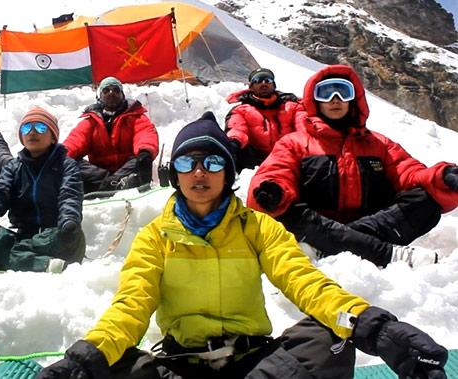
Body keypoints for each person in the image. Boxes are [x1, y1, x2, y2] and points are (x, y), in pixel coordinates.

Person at [37, 112, 449, 379]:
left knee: (332, 337)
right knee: (112, 364)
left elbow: (306, 283)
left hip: (255, 364)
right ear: (174, 174)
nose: (200, 172)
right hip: (180, 367)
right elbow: (131, 306)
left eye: (213, 162)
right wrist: (86, 358)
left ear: (228, 172)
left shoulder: (257, 227)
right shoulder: (155, 237)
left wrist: (375, 328)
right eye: (187, 162)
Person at [248, 64, 458, 268]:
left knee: (425, 200)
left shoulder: (378, 144)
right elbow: (276, 172)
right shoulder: (294, 143)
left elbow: (408, 171)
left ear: (354, 99)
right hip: (316, 224)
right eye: (326, 93)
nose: (335, 100)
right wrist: (274, 191)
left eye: (343, 92)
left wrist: (442, 176)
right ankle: (387, 254)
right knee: (286, 211)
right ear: (315, 101)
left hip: (366, 224)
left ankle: (328, 248)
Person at [0, 106, 85, 273]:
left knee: (71, 235)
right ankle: (41, 263)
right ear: (21, 136)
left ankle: (3, 260)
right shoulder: (13, 168)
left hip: (57, 235)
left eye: (41, 127)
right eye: (27, 128)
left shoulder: (66, 165)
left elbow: (70, 196)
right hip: (23, 236)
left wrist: (69, 222)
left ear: (53, 137)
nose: (32, 132)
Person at [63, 76, 159, 193]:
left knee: (142, 159)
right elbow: (76, 139)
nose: (111, 93)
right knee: (70, 163)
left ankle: (108, 186)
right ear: (99, 97)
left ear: (122, 95)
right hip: (99, 173)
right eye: (106, 90)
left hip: (127, 169)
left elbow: (145, 133)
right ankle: (114, 185)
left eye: (116, 90)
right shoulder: (91, 121)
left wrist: (145, 152)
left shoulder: (136, 117)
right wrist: (61, 157)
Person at [224, 68, 302, 172]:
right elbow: (237, 129)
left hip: (289, 156)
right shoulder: (241, 110)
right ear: (251, 87)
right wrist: (234, 142)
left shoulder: (292, 107)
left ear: (274, 85)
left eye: (268, 80)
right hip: (256, 161)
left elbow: (303, 124)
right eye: (258, 80)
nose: (264, 83)